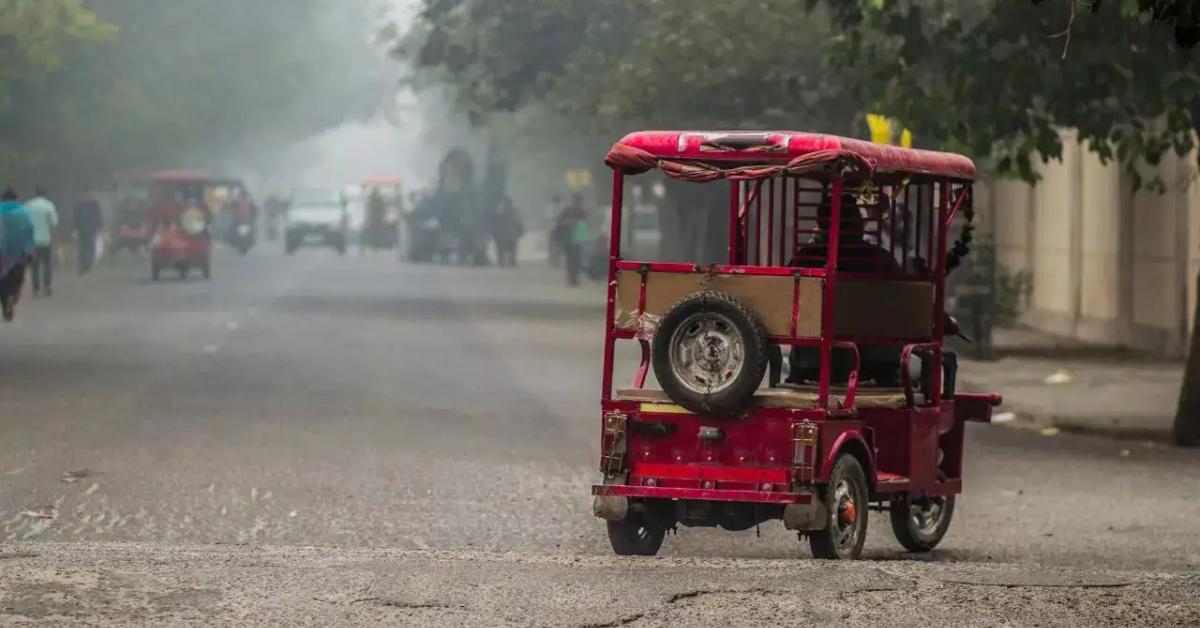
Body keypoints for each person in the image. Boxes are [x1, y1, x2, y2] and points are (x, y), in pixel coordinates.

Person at [787, 191, 903, 386]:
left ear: (821, 222)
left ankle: (795, 375)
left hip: (813, 362)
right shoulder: (880, 260)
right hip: (870, 364)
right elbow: (904, 300)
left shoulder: (804, 259)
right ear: (858, 224)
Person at [0, 189, 35, 321]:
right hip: (19, 252)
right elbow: (29, 233)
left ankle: (5, 307)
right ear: (16, 199)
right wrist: (30, 250)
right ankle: (13, 296)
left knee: (2, 280)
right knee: (18, 277)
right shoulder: (24, 212)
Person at [25, 186, 58, 297]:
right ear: (45, 194)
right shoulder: (49, 205)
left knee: (34, 265)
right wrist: (54, 238)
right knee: (47, 264)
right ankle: (47, 285)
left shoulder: (28, 205)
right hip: (46, 240)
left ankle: (35, 288)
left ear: (36, 194)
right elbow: (53, 223)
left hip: (32, 241)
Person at [557, 194, 587, 286]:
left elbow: (584, 225)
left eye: (578, 201)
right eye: (576, 200)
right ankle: (571, 278)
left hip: (577, 238)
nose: (577, 203)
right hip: (568, 238)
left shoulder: (582, 211)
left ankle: (575, 277)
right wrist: (569, 222)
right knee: (571, 258)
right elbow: (559, 220)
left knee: (577, 259)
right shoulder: (566, 210)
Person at [489, 197, 524, 268]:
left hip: (504, 235)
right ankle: (509, 262)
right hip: (509, 235)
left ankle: (504, 262)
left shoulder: (501, 212)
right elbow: (519, 223)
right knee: (510, 250)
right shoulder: (513, 212)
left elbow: (496, 223)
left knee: (502, 250)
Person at [74, 193, 103, 274]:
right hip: (91, 229)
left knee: (83, 246)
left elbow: (76, 218)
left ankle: (83, 264)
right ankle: (88, 264)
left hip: (82, 229)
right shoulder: (94, 205)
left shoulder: (79, 205)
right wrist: (99, 227)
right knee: (90, 246)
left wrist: (75, 228)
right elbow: (99, 217)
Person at [545, 194, 565, 266]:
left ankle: (553, 259)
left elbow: (548, 218)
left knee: (554, 244)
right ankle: (555, 259)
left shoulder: (550, 206)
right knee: (558, 244)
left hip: (554, 228)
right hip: (558, 228)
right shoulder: (562, 206)